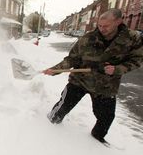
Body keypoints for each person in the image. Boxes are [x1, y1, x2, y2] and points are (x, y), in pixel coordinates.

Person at [43, 9, 143, 144]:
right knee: (62, 107)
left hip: (106, 85)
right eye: (100, 25)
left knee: (106, 118)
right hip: (79, 81)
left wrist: (118, 69)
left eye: (106, 26)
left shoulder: (132, 39)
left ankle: (97, 140)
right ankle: (48, 126)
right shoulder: (87, 38)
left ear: (118, 21)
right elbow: (72, 59)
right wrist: (55, 70)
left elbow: (137, 60)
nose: (102, 29)